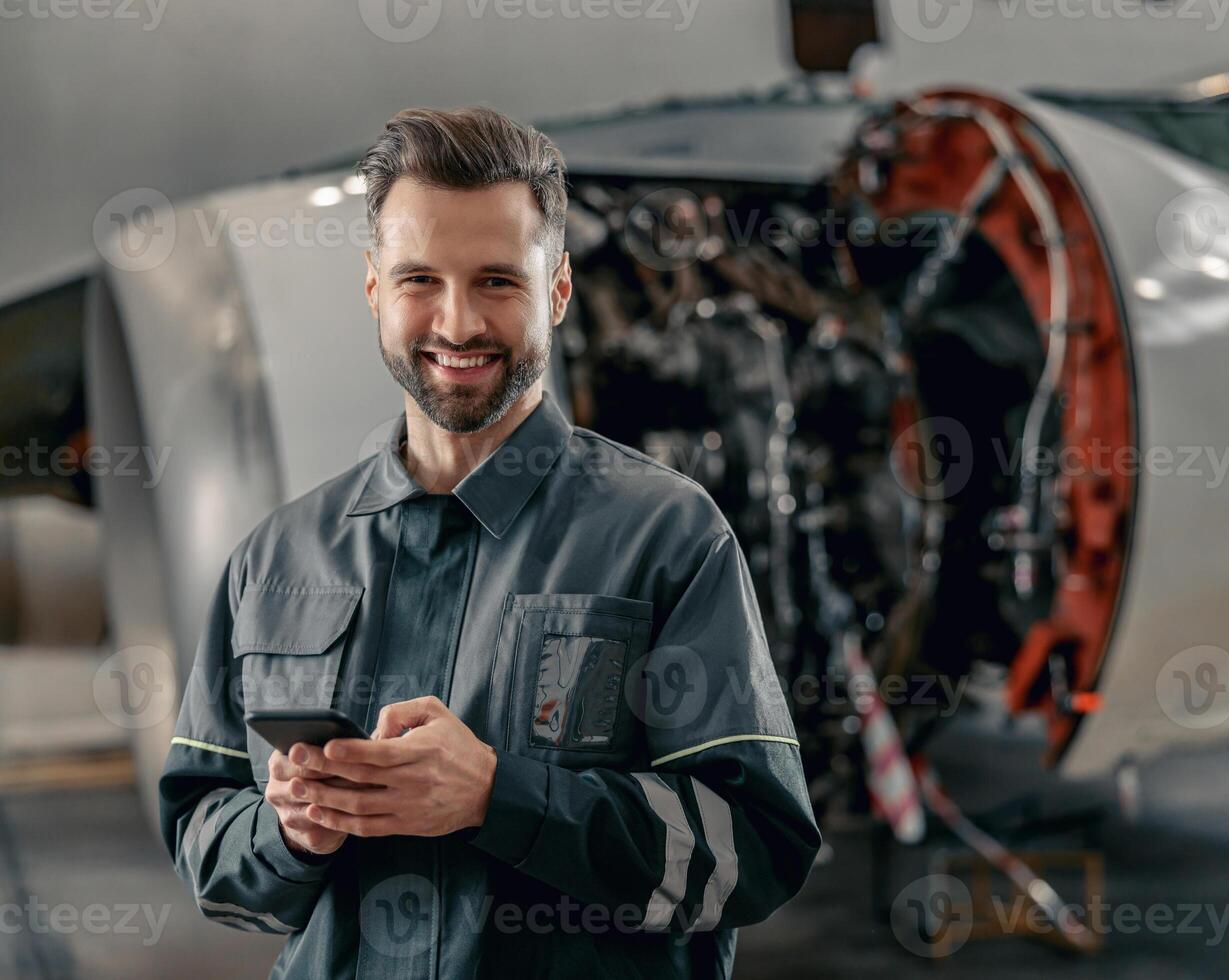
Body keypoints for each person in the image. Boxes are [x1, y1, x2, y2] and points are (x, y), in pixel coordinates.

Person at [158, 104, 820, 979]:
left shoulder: (665, 535)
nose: (458, 323)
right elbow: (210, 859)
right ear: (373, 290)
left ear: (558, 291)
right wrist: (287, 831)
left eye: (498, 282)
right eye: (419, 279)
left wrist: (498, 799)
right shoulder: (277, 559)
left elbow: (752, 858)